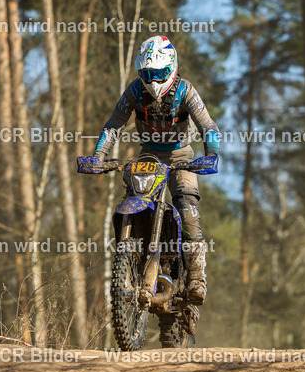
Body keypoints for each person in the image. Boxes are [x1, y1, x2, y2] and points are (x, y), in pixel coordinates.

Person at [91, 35, 220, 311]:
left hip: (181, 157)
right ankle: (132, 262)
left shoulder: (186, 91)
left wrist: (211, 155)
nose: (153, 80)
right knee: (133, 198)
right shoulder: (135, 92)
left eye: (159, 73)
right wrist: (98, 157)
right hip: (147, 157)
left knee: (187, 207)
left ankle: (197, 278)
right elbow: (114, 125)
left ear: (171, 68)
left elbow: (208, 125)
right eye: (147, 74)